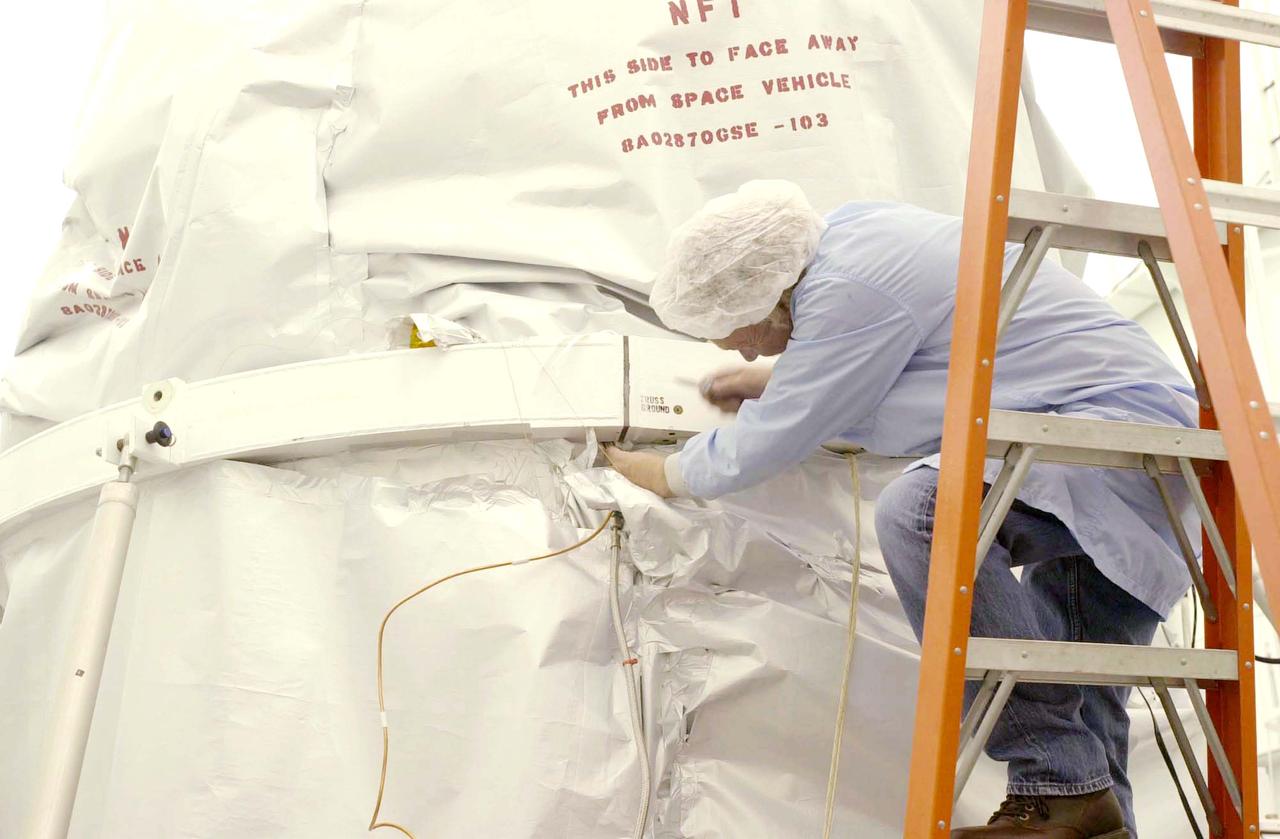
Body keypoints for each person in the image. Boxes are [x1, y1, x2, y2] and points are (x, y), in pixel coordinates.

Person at [604, 180, 1199, 839]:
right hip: (1137, 447)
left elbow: (779, 434)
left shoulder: (851, 284)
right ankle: (1077, 794)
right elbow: (910, 374)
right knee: (1084, 699)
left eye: (738, 332)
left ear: (766, 292)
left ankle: (1055, 779)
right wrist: (784, 383)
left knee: (920, 511)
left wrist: (661, 471)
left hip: (1102, 430)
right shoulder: (855, 246)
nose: (742, 350)